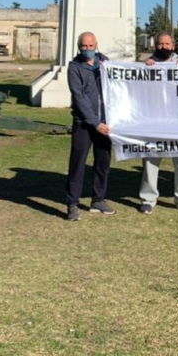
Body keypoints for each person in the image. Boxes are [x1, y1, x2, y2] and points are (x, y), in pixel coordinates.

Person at [139, 32, 178, 214]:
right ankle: (148, 199)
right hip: (154, 120)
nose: (163, 47)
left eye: (167, 44)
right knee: (151, 160)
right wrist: (143, 68)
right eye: (160, 44)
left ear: (173, 45)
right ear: (156, 46)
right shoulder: (147, 64)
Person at [65, 32, 115, 221]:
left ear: (96, 45)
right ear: (79, 47)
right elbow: (79, 98)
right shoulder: (74, 67)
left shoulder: (105, 62)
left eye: (90, 45)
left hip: (105, 123)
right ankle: (72, 203)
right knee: (78, 163)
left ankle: (98, 199)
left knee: (103, 163)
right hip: (85, 124)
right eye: (84, 46)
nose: (87, 49)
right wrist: (95, 123)